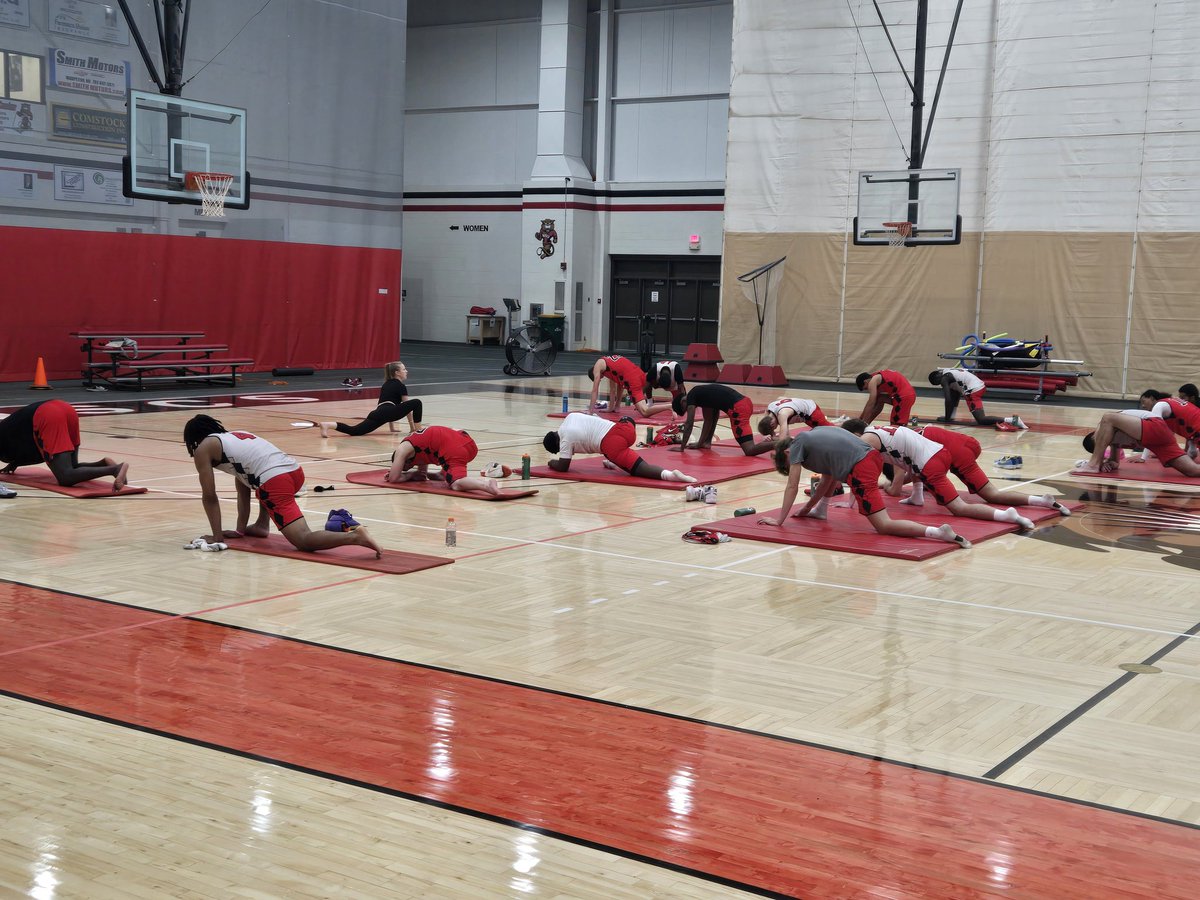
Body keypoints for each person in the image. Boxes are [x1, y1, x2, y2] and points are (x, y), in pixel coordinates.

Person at [183, 414, 381, 557]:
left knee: (303, 540)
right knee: (255, 481)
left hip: (275, 481)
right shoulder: (234, 438)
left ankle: (356, 537)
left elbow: (210, 496)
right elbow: (243, 485)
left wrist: (217, 537)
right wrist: (239, 531)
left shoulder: (203, 448)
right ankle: (261, 525)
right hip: (294, 472)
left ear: (194, 440)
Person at [756, 426, 971, 548]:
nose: (796, 464)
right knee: (878, 518)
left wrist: (779, 520)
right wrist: (811, 508)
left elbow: (792, 485)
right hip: (871, 458)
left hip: (861, 467)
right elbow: (827, 480)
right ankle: (819, 512)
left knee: (883, 525)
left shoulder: (797, 446)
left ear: (787, 453)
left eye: (790, 462)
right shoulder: (814, 438)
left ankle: (937, 532)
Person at [841, 419, 1037, 530]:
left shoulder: (868, 440)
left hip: (928, 463)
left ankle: (1005, 515)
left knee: (959, 508)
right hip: (939, 453)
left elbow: (862, 473)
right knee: (913, 467)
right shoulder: (880, 429)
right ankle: (917, 496)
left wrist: (855, 497)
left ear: (856, 435)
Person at [909, 425, 1070, 516]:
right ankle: (1042, 500)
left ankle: (1004, 516)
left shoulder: (899, 445)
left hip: (954, 454)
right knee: (993, 493)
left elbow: (899, 483)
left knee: (962, 504)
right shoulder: (909, 432)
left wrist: (888, 484)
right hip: (968, 443)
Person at [0, 399, 129, 492]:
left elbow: (39, 454)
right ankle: (104, 464)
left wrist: (15, 462)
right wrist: (15, 463)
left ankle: (114, 469)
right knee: (72, 467)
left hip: (47, 415)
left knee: (65, 477)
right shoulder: (9, 438)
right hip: (63, 407)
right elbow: (36, 453)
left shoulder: (7, 444)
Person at [543, 412, 696, 482]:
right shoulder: (571, 417)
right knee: (627, 419)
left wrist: (552, 463)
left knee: (639, 469)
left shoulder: (565, 439)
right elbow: (594, 417)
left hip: (611, 445)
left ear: (557, 444)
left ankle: (670, 475)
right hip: (624, 428)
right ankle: (614, 462)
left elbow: (563, 466)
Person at [1077, 390, 1200, 476]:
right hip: (1160, 439)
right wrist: (1107, 463)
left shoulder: (1103, 427)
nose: (1104, 445)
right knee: (1192, 471)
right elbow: (1115, 462)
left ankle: (1092, 465)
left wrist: (1096, 463)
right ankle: (1094, 464)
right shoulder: (1111, 438)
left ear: (1095, 436)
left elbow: (1108, 420)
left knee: (1107, 417)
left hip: (1155, 427)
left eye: (1100, 446)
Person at [385, 425, 501, 494]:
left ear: (404, 462)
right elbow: (422, 475)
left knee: (456, 484)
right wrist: (415, 474)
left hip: (455, 448)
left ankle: (487, 485)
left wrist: (408, 475)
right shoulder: (415, 446)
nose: (410, 468)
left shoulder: (402, 449)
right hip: (466, 442)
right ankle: (443, 474)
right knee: (444, 466)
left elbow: (393, 479)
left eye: (405, 468)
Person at [319, 361, 422, 438]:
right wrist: (412, 427)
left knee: (355, 431)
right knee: (417, 402)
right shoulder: (401, 386)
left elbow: (389, 406)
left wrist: (392, 428)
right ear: (397, 373)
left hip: (377, 413)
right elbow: (407, 407)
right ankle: (418, 430)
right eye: (404, 369)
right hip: (388, 412)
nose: (406, 371)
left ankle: (327, 425)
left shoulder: (386, 384)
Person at [671, 384, 776, 456]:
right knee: (712, 419)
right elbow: (709, 421)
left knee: (749, 450)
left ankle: (780, 443)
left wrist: (682, 447)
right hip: (744, 403)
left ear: (683, 402)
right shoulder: (702, 394)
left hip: (738, 409)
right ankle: (781, 441)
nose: (689, 409)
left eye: (686, 409)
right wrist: (702, 443)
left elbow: (689, 423)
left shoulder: (691, 396)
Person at [928, 368, 1027, 431]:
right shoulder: (947, 371)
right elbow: (955, 395)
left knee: (981, 419)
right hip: (978, 385)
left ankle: (1012, 420)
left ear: (938, 378)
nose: (941, 385)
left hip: (973, 390)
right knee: (954, 393)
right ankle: (951, 416)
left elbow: (948, 399)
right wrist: (948, 417)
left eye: (939, 383)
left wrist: (946, 419)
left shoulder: (945, 378)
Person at [586, 355, 673, 417]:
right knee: (659, 383)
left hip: (632, 379)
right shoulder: (608, 365)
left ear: (594, 372)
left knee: (645, 412)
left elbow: (595, 389)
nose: (601, 378)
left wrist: (590, 411)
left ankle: (670, 406)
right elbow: (616, 388)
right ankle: (675, 395)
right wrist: (614, 407)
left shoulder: (598, 365)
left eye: (600, 378)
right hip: (638, 372)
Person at [757, 396, 833, 440]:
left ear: (772, 423)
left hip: (812, 412)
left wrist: (774, 438)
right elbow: (764, 423)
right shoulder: (769, 408)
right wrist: (765, 436)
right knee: (782, 422)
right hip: (804, 403)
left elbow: (782, 440)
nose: (774, 430)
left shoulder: (782, 414)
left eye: (773, 429)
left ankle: (843, 425)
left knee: (830, 431)